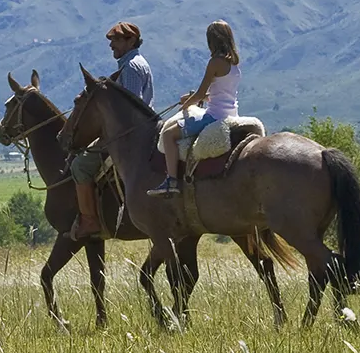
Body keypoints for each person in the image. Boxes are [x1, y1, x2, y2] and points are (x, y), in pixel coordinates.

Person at [68, 22, 153, 239]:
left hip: (128, 138)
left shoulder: (132, 67)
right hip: (135, 133)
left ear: (131, 41)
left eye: (115, 40)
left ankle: (89, 221)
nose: (111, 46)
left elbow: (129, 109)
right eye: (111, 41)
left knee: (80, 166)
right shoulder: (134, 63)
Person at [149, 20, 240, 197]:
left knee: (168, 134)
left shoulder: (215, 62)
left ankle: (172, 180)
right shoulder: (235, 63)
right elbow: (220, 93)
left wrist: (186, 103)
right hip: (232, 113)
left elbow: (199, 94)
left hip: (213, 117)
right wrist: (200, 98)